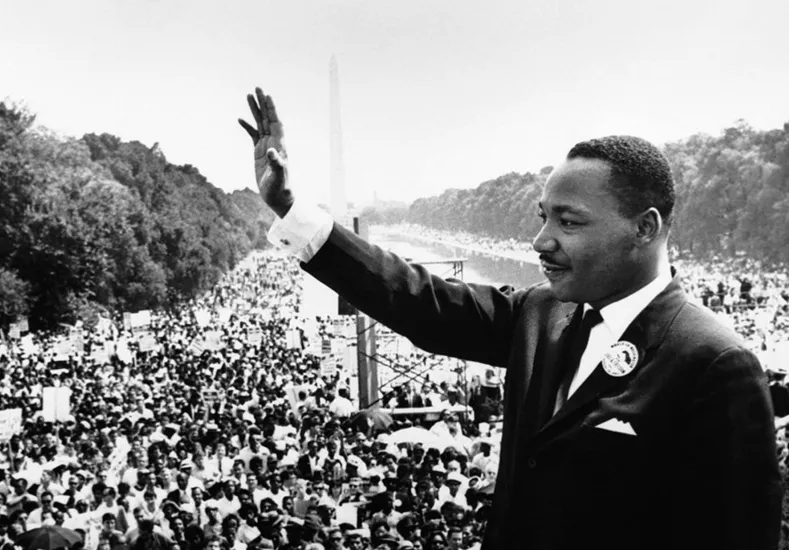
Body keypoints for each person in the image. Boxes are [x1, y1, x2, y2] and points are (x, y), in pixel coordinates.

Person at [238, 87, 782, 549]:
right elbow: (415, 299)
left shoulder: (715, 363)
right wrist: (291, 209)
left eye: (568, 222)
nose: (540, 241)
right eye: (543, 217)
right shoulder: (540, 312)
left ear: (645, 228)